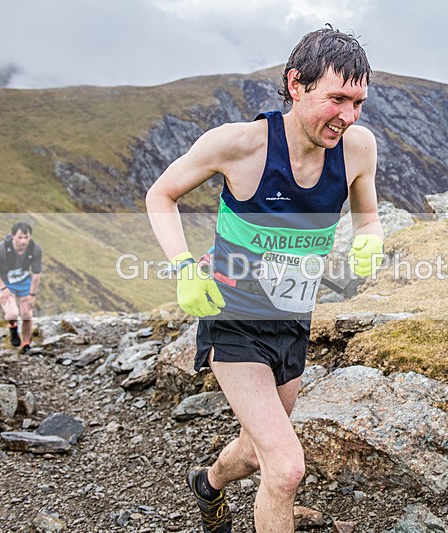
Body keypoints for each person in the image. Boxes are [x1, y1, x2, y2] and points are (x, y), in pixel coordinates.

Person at [146, 26, 384, 533]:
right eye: (337, 98)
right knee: (287, 466)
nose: (348, 116)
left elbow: (368, 216)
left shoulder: (359, 148)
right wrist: (184, 268)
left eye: (358, 101)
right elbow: (160, 195)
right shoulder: (238, 146)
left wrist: (370, 237)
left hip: (292, 319)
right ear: (296, 85)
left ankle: (208, 483)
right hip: (233, 318)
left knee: (256, 453)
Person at [0, 222, 43, 354]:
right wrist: (3, 288)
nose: (23, 241)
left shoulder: (35, 249)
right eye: (20, 237)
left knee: (27, 314)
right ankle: (13, 327)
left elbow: (36, 274)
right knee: (12, 313)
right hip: (6, 282)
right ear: (13, 236)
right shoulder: (1, 249)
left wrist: (32, 295)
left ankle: (26, 344)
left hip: (23, 281)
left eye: (26, 237)